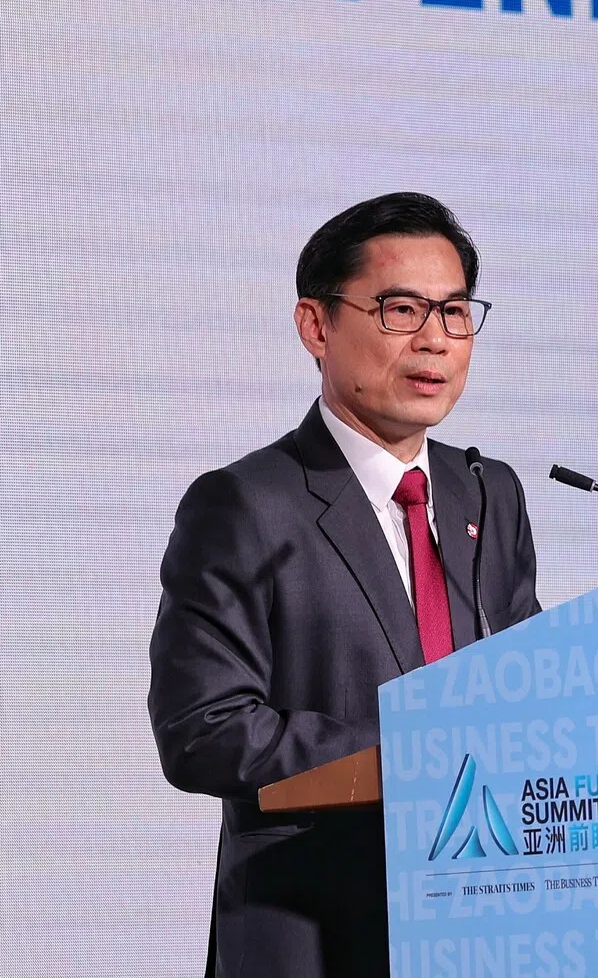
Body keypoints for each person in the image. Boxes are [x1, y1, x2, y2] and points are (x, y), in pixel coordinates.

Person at [149, 192, 540, 977]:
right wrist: (418, 748)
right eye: (402, 309)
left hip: (486, 927)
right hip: (317, 934)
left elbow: (530, 688)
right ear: (316, 326)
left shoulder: (488, 495)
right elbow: (204, 731)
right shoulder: (246, 504)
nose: (435, 339)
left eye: (456, 313)